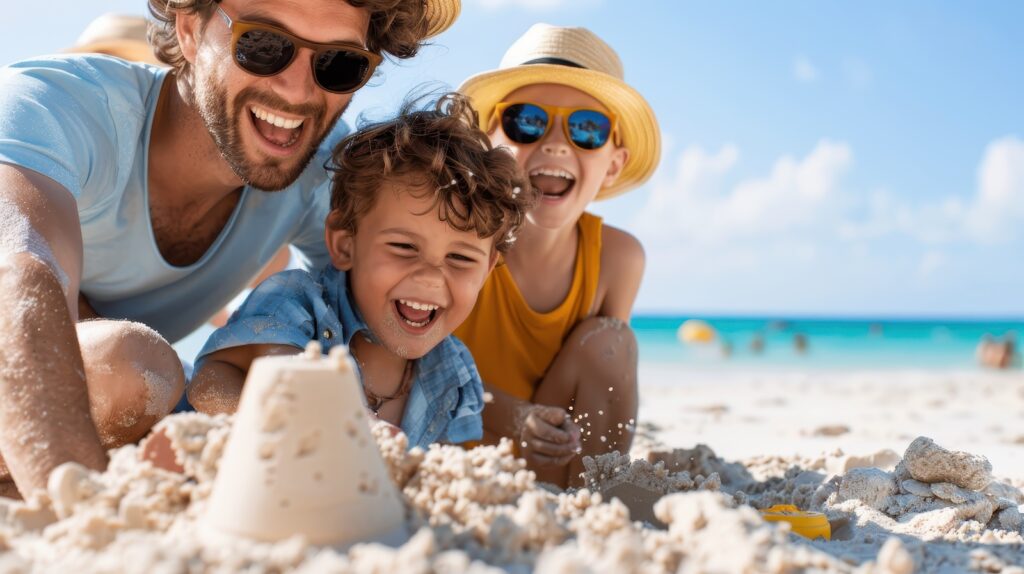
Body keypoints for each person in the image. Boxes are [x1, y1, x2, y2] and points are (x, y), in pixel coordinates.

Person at [0, 0, 459, 497]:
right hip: (42, 369)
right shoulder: (51, 104)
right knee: (133, 367)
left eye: (338, 64)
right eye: (264, 46)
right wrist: (78, 523)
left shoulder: (320, 171)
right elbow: (17, 276)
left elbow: (380, 305)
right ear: (189, 28)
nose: (297, 90)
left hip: (100, 396)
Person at [187, 93, 533, 449]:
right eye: (404, 248)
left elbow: (441, 470)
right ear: (344, 244)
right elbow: (209, 383)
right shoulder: (297, 305)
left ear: (488, 269)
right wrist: (293, 424)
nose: (430, 277)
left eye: (460, 259)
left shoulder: (453, 372)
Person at [453, 24, 661, 487]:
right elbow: (417, 361)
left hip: (548, 465)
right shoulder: (456, 235)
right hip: (448, 456)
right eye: (526, 120)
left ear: (613, 164)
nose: (554, 142)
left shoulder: (616, 260)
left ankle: (595, 492)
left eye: (587, 129)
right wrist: (512, 415)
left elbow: (606, 383)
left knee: (612, 342)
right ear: (490, 144)